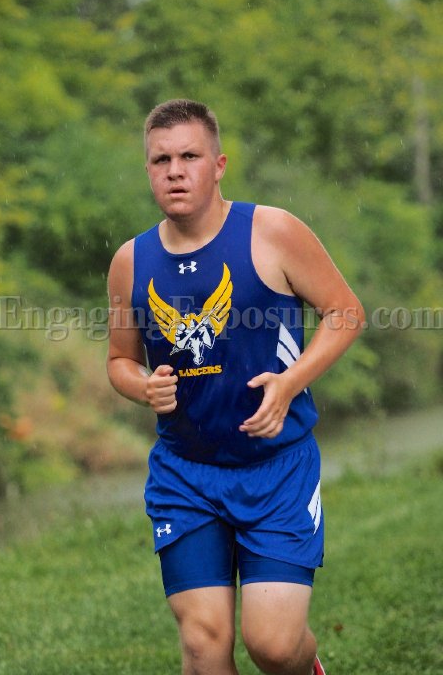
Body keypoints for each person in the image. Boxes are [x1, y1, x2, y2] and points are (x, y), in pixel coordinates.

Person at [107, 99, 365, 675]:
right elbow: (120, 360)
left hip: (275, 468)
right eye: (161, 160)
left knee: (273, 646)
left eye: (190, 157)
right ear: (148, 170)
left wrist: (290, 383)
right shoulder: (131, 261)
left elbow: (345, 313)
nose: (175, 171)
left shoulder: (272, 231)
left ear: (219, 165)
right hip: (185, 473)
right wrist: (143, 387)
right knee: (204, 643)